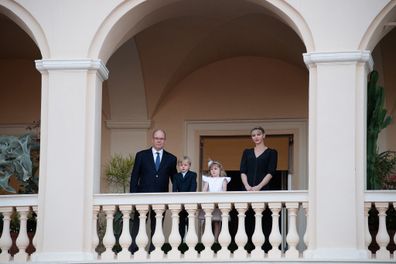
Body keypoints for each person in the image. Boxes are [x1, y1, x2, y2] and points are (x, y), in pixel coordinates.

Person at [129, 129, 177, 252]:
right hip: (142, 197)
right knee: (139, 224)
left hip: (161, 197)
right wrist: (132, 197)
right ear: (152, 139)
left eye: (161, 138)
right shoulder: (141, 155)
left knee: (157, 225)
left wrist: (177, 196)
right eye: (156, 138)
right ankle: (134, 249)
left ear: (164, 140)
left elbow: (175, 179)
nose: (159, 140)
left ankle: (154, 249)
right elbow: (135, 177)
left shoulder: (171, 158)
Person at [240, 126, 278, 252]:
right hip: (248, 192)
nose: (256, 137)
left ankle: (266, 249)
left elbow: (271, 172)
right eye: (253, 135)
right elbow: (243, 171)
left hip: (264, 191)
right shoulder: (247, 152)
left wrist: (259, 187)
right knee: (248, 221)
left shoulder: (272, 152)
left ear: (264, 135)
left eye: (258, 134)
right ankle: (249, 249)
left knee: (265, 219)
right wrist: (247, 186)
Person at [200, 160, 231, 242]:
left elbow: (224, 191)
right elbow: (204, 190)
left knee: (217, 222)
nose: (213, 171)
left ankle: (215, 240)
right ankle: (205, 239)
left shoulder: (223, 179)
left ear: (220, 170)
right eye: (211, 169)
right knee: (206, 221)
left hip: (218, 203)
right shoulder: (208, 179)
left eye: (215, 169)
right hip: (209, 202)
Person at [172, 156, 197, 240]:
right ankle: (181, 241)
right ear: (178, 166)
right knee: (181, 222)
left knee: (190, 222)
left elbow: (193, 188)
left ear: (189, 166)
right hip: (180, 203)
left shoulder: (193, 175)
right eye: (181, 165)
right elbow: (174, 189)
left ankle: (191, 240)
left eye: (185, 165)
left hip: (190, 202)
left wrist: (189, 199)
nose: (183, 166)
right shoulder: (176, 176)